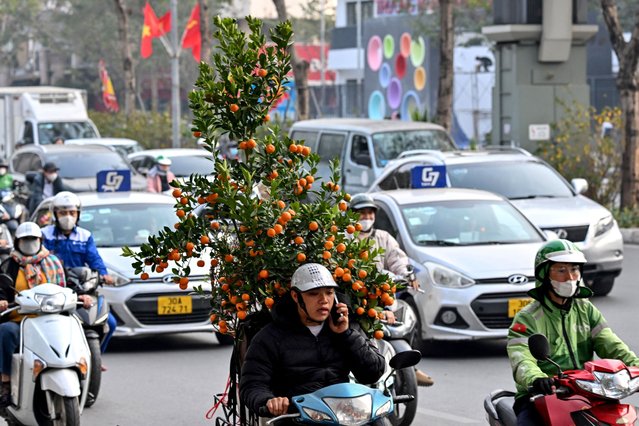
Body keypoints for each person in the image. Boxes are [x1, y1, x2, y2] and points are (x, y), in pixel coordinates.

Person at [507, 239, 639, 425]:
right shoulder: (527, 317)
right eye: (561, 270)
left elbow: (611, 344)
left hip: (589, 391)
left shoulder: (586, 310)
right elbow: (521, 357)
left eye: (574, 269)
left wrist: (635, 365)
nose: (570, 277)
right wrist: (536, 378)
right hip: (540, 395)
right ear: (544, 274)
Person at [240, 263, 385, 417]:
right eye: (313, 294)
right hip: (297, 417)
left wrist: (346, 335)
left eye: (329, 293)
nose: (324, 300)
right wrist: (269, 401)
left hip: (344, 414)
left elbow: (372, 373)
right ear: (296, 296)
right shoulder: (270, 337)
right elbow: (252, 384)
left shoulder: (347, 327)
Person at [349, 193, 434, 387]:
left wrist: (406, 274)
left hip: (383, 297)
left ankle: (410, 366)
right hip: (355, 299)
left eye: (370, 213)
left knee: (405, 319)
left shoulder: (383, 238)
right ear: (352, 215)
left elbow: (398, 259)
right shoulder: (344, 238)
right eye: (362, 213)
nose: (366, 217)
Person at [0, 222, 71, 407]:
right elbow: (1, 288)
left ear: (40, 240)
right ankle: (6, 381)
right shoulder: (8, 265)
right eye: (25, 240)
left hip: (51, 319)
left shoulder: (53, 262)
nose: (30, 243)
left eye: (33, 239)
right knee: (6, 332)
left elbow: (66, 289)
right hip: (20, 321)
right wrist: (2, 300)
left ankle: (76, 368)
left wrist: (82, 296)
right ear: (17, 242)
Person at [41, 191, 116, 355]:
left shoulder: (85, 235)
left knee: (110, 322)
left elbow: (94, 258)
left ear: (78, 214)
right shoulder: (44, 235)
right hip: (55, 289)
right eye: (63, 213)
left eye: (71, 213)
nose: (67, 216)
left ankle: (96, 357)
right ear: (55, 214)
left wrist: (104, 274)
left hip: (82, 288)